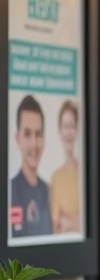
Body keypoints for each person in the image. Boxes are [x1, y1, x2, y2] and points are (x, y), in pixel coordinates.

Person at [10, 94, 51, 238]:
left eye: (38, 134)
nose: (34, 144)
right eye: (27, 134)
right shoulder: (10, 191)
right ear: (17, 138)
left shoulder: (50, 192)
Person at [50, 100, 81, 234]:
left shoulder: (84, 173)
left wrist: (73, 222)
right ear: (60, 131)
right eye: (65, 126)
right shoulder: (56, 178)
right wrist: (78, 221)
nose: (68, 132)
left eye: (72, 126)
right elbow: (57, 226)